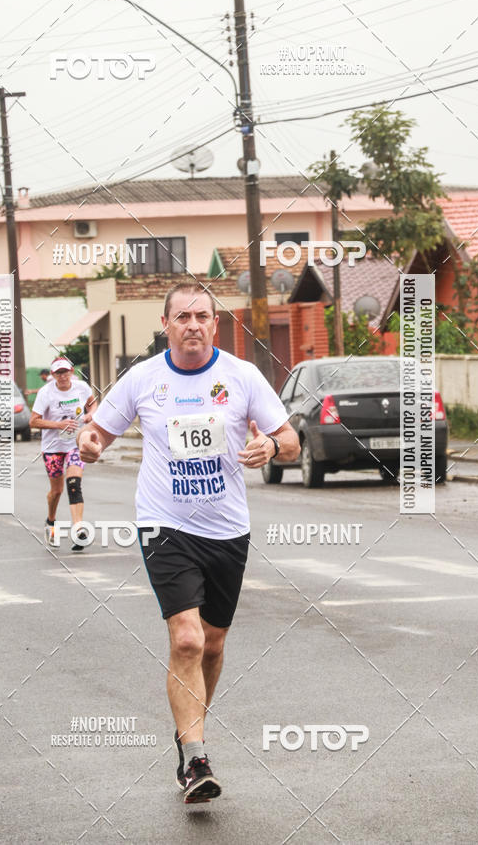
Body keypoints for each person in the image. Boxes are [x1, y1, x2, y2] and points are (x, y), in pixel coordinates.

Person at [77, 282, 300, 804]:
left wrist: (269, 443)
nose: (193, 325)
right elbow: (97, 434)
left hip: (226, 529)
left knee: (214, 643)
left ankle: (188, 732)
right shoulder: (143, 378)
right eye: (183, 317)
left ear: (215, 325)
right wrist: (88, 443)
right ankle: (196, 754)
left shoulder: (241, 377)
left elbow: (290, 440)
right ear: (166, 324)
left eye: (202, 316)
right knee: (187, 640)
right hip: (165, 524)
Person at [30, 357, 97, 550]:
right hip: (52, 447)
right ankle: (51, 520)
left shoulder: (81, 387)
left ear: (71, 372)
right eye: (58, 373)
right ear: (53, 375)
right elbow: (33, 421)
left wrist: (90, 414)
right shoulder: (46, 393)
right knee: (57, 491)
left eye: (65, 372)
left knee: (74, 484)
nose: (63, 376)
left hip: (75, 443)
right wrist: (58, 424)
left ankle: (78, 530)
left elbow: (93, 403)